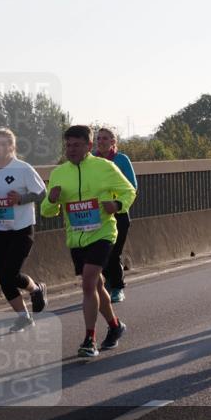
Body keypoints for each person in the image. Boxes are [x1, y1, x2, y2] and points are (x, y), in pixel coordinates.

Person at [41, 125, 137, 358]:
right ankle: (115, 326)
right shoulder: (59, 173)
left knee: (88, 282)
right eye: (68, 145)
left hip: (103, 233)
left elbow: (129, 190)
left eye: (76, 145)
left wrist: (117, 205)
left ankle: (89, 339)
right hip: (76, 237)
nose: (71, 150)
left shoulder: (105, 167)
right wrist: (52, 201)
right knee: (96, 285)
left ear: (89, 146)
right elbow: (46, 210)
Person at [0, 128, 48, 332]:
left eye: (2, 144)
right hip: (0, 229)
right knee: (2, 275)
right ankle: (23, 316)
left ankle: (35, 289)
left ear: (12, 147)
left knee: (10, 273)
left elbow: (42, 193)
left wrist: (21, 199)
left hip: (22, 229)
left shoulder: (23, 169)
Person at [94, 128, 137, 303]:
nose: (101, 141)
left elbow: (132, 186)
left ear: (113, 141)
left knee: (113, 252)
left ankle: (117, 287)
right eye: (98, 138)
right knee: (100, 253)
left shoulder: (121, 160)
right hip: (97, 215)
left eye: (105, 138)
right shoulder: (92, 161)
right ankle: (106, 285)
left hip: (118, 213)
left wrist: (116, 203)